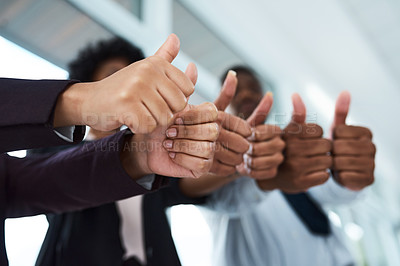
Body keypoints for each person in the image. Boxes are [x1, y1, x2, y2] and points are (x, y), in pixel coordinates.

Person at [0, 34, 220, 265]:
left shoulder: (146, 143)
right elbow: (36, 185)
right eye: (115, 76)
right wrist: (83, 101)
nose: (129, 85)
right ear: (91, 80)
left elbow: (180, 185)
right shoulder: (53, 142)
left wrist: (216, 155)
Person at [179, 66, 375, 266]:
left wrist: (345, 176)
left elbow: (325, 190)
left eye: (253, 88)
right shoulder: (207, 155)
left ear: (264, 95)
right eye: (236, 90)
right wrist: (242, 157)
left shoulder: (290, 147)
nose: (246, 93)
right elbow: (190, 189)